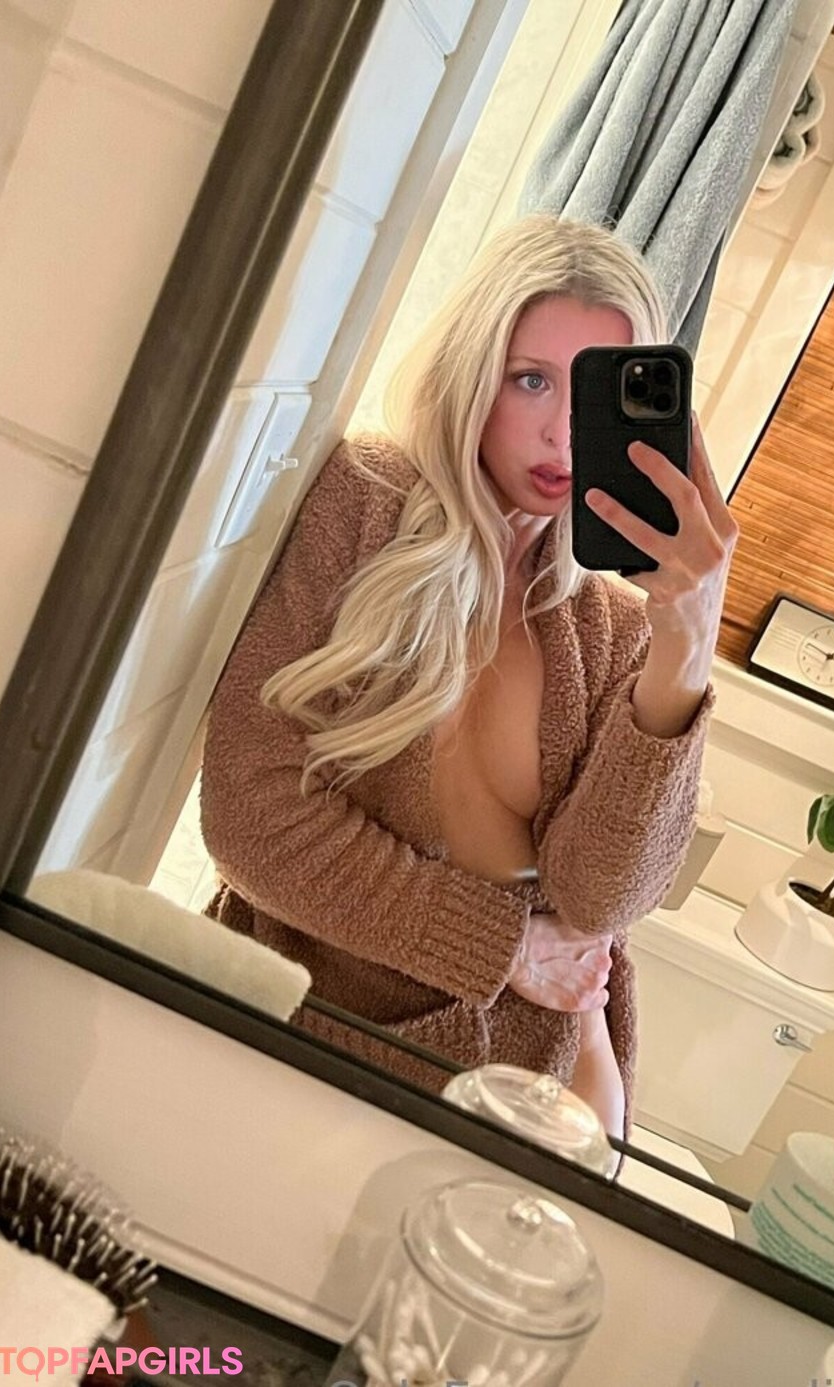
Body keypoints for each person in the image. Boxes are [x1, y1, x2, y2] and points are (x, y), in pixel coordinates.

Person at [200, 215, 737, 1137]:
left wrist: (685, 647)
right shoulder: (363, 504)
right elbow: (248, 812)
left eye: (593, 394)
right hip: (302, 1037)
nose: (564, 432)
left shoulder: (610, 631)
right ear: (472, 371)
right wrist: (506, 946)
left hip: (530, 1086)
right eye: (530, 379)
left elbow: (603, 900)